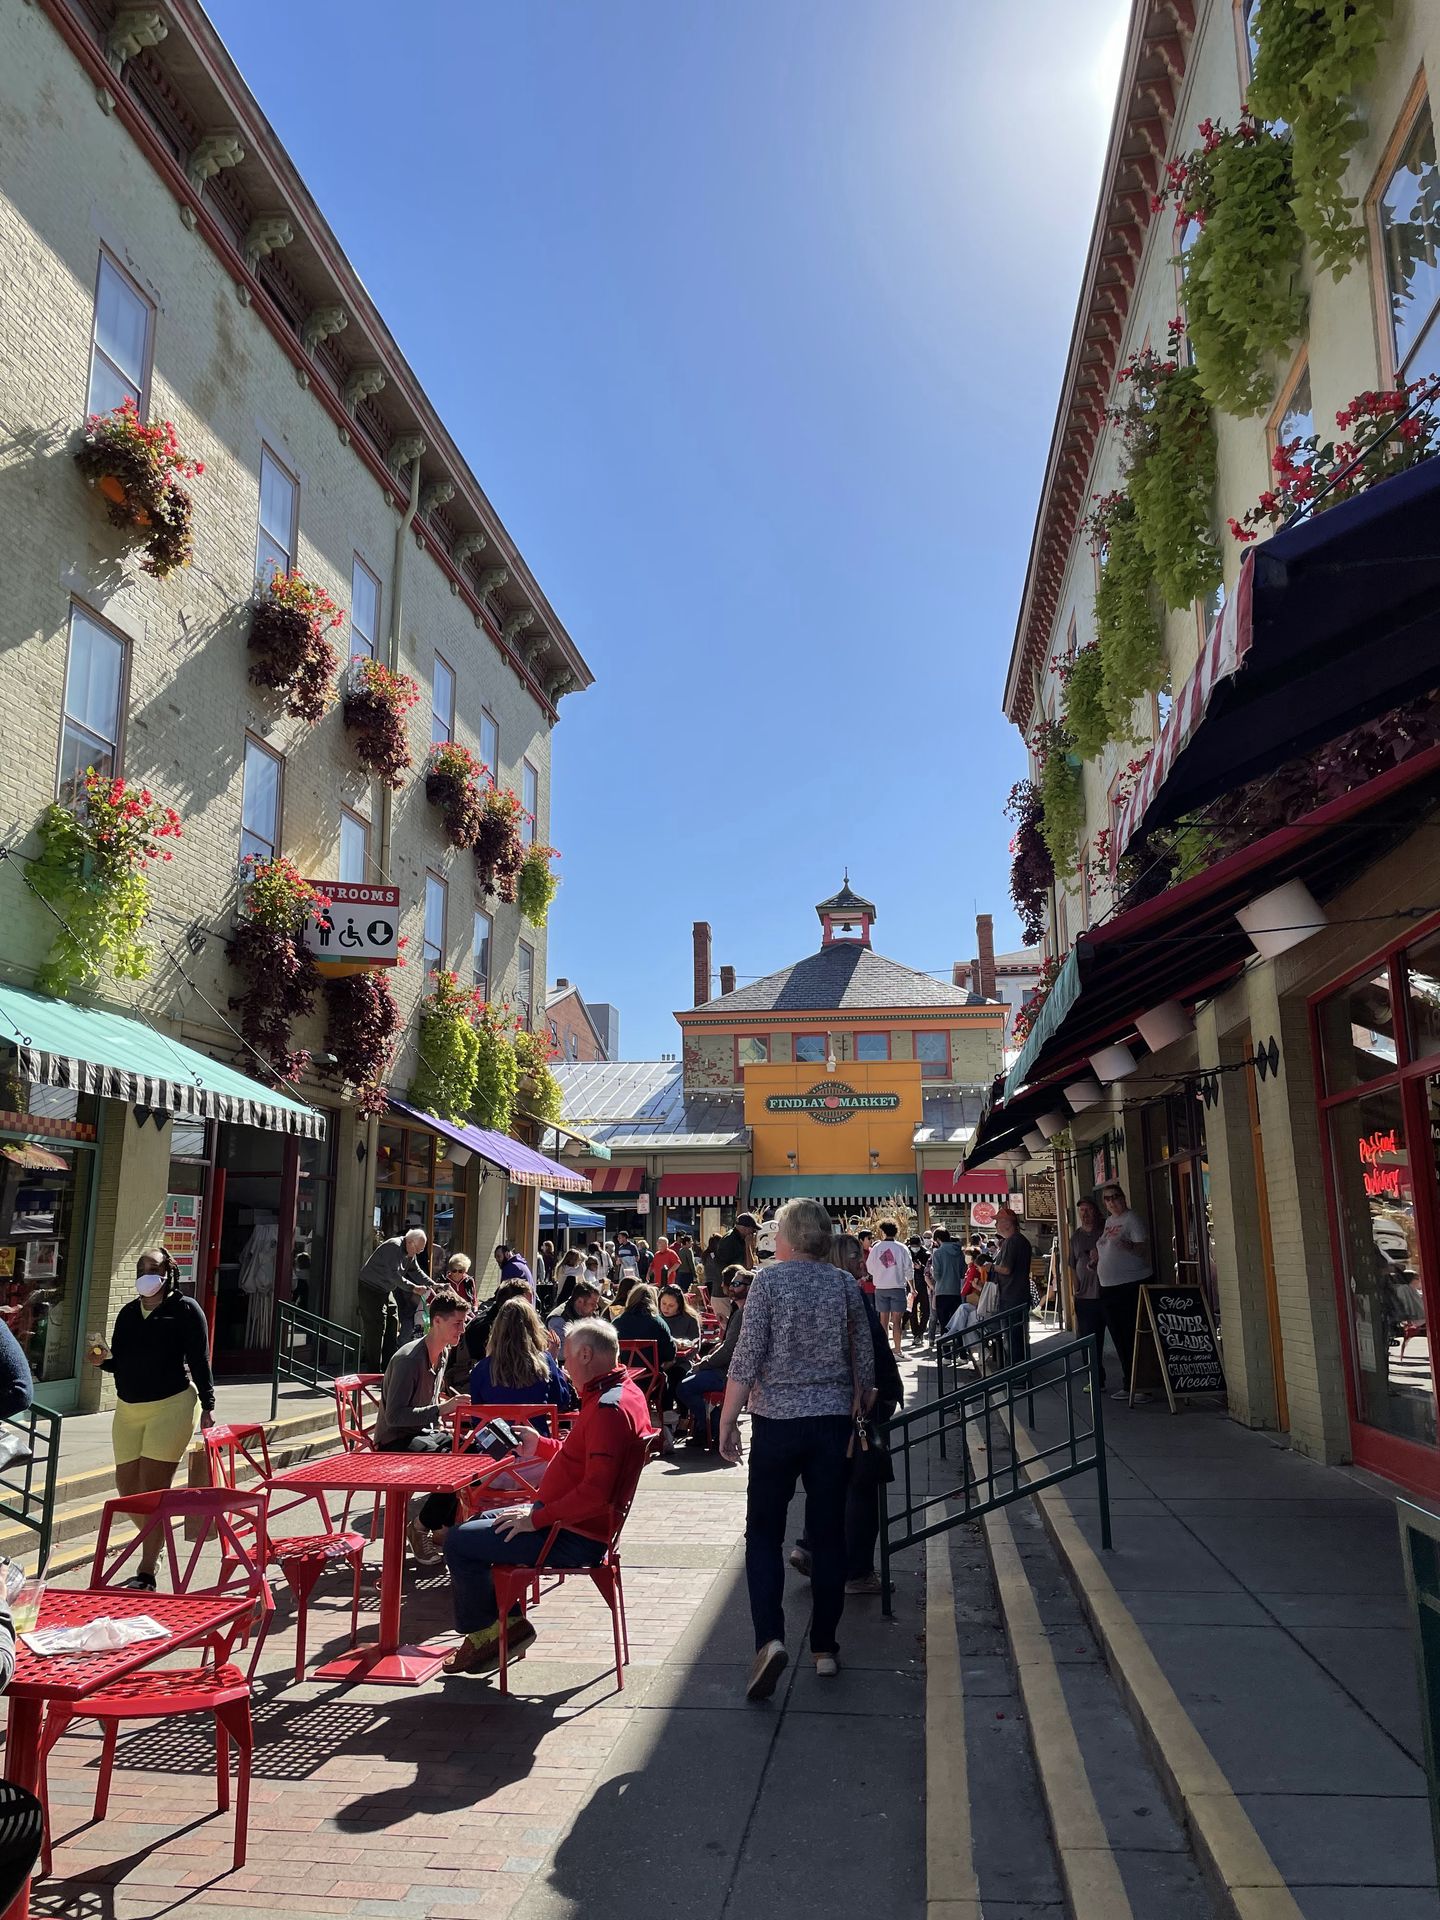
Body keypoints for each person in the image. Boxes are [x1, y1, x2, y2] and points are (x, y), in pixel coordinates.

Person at [720, 1199, 875, 1698]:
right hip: (831, 1424)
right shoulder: (845, 1285)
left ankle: (770, 1639)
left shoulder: (768, 1282)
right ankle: (825, 1647)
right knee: (828, 1535)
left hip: (777, 1425)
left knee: (763, 1534)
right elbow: (866, 1368)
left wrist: (727, 1420)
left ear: (788, 1238)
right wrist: (856, 1407)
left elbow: (747, 1358)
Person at [443, 1317, 652, 1674]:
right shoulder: (618, 1394)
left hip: (570, 1534)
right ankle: (506, 1625)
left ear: (585, 1354)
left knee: (459, 1542)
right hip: (570, 1524)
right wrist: (539, 1445)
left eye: (566, 1357)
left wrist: (533, 1519)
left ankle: (491, 1634)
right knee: (475, 1524)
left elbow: (596, 1492)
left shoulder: (607, 1409)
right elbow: (583, 1458)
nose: (563, 1365)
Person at [92, 1249, 215, 1591]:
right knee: (128, 1488)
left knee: (152, 1486)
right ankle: (157, 1538)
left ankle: (147, 1570)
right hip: (129, 1409)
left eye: (154, 1268)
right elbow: (122, 1362)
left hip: (171, 1405)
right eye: (142, 1268)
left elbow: (199, 1359)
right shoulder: (129, 1313)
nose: (147, 1274)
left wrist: (208, 1404)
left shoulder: (186, 1310)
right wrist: (102, 1361)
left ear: (168, 1273)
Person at [790, 1233, 903, 1595]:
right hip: (855, 1402)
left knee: (827, 1481)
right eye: (858, 1255)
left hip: (821, 1403)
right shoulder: (849, 1294)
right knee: (861, 1486)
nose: (863, 1261)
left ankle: (810, 1547)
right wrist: (882, 1390)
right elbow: (871, 1348)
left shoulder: (814, 1294)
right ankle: (856, 1570)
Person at [675, 1269, 751, 1449]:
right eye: (732, 1283)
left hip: (729, 1373)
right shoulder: (739, 1310)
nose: (731, 1286)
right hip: (731, 1370)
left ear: (750, 1288)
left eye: (737, 1284)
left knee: (684, 1387)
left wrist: (704, 1363)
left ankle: (718, 1427)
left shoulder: (743, 1313)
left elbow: (729, 1351)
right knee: (686, 1381)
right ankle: (705, 1429)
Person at [468, 1298, 577, 1421]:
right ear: (533, 1328)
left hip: (496, 1438)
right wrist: (562, 1377)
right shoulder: (545, 1363)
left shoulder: (481, 1369)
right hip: (536, 1437)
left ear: (498, 1329)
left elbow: (476, 1418)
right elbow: (561, 1402)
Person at [1097, 1183, 1153, 1399]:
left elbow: (1143, 1248)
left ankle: (1143, 1385)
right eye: (1107, 1199)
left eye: (1115, 1197)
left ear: (1123, 1197)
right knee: (1120, 1337)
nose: (1111, 1201)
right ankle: (1129, 1383)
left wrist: (1129, 1247)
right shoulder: (1110, 1221)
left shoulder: (1132, 1219)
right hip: (1109, 1287)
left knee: (1133, 1336)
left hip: (1130, 1285)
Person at [358, 1229, 429, 1369]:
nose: (417, 1254)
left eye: (420, 1251)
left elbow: (416, 1271)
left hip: (385, 1289)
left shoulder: (409, 1250)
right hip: (370, 1288)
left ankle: (388, 1367)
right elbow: (393, 1275)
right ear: (409, 1242)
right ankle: (373, 1370)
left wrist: (433, 1284)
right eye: (418, 1250)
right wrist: (413, 1288)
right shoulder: (394, 1247)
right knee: (376, 1327)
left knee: (393, 1321)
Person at [1069, 1197, 1107, 1389]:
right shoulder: (1076, 1237)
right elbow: (1072, 1266)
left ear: (1096, 1211)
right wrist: (1075, 1288)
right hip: (1084, 1296)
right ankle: (1095, 1378)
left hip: (1107, 1292)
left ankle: (1132, 1382)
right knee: (1088, 1338)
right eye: (1081, 1210)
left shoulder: (1105, 1232)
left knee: (1119, 1335)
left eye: (1088, 1210)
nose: (1085, 1214)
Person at [990, 1208, 1034, 1367]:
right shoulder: (1019, 1241)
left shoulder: (1012, 1241)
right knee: (1017, 1336)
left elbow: (1006, 1269)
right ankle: (1019, 1371)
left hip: (1011, 1297)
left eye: (998, 1221)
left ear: (1007, 1223)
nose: (995, 1224)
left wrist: (990, 1267)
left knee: (1013, 1336)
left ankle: (1017, 1373)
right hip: (1016, 1295)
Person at [866, 1220, 914, 1359]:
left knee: (883, 1321)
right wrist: (912, 1287)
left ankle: (884, 1350)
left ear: (883, 1232)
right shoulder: (902, 1248)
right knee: (897, 1321)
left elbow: (870, 1267)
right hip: (898, 1287)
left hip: (880, 1287)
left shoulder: (876, 1248)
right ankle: (898, 1350)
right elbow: (908, 1269)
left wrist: (880, 1274)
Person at [612, 1282, 677, 1368]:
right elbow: (670, 1355)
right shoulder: (658, 1323)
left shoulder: (616, 1322)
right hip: (651, 1378)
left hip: (624, 1376)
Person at [928, 1228, 967, 1343]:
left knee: (944, 1325)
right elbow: (962, 1273)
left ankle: (947, 1356)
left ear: (938, 1239)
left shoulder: (938, 1253)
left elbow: (937, 1276)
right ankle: (962, 1353)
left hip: (942, 1292)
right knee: (957, 1324)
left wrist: (932, 1271)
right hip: (956, 1291)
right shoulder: (959, 1252)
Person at [712, 1214, 757, 1278]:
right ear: (745, 1228)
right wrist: (748, 1245)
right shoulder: (729, 1240)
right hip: (730, 1282)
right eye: (753, 1230)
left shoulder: (740, 1239)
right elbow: (749, 1265)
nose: (753, 1233)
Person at [907, 1234, 929, 1341]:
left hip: (924, 1286)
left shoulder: (926, 1254)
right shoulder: (906, 1253)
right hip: (910, 1285)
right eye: (913, 1245)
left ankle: (921, 1331)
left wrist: (921, 1268)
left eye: (917, 1245)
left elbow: (929, 1270)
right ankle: (916, 1333)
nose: (914, 1247)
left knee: (926, 1310)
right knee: (912, 1310)